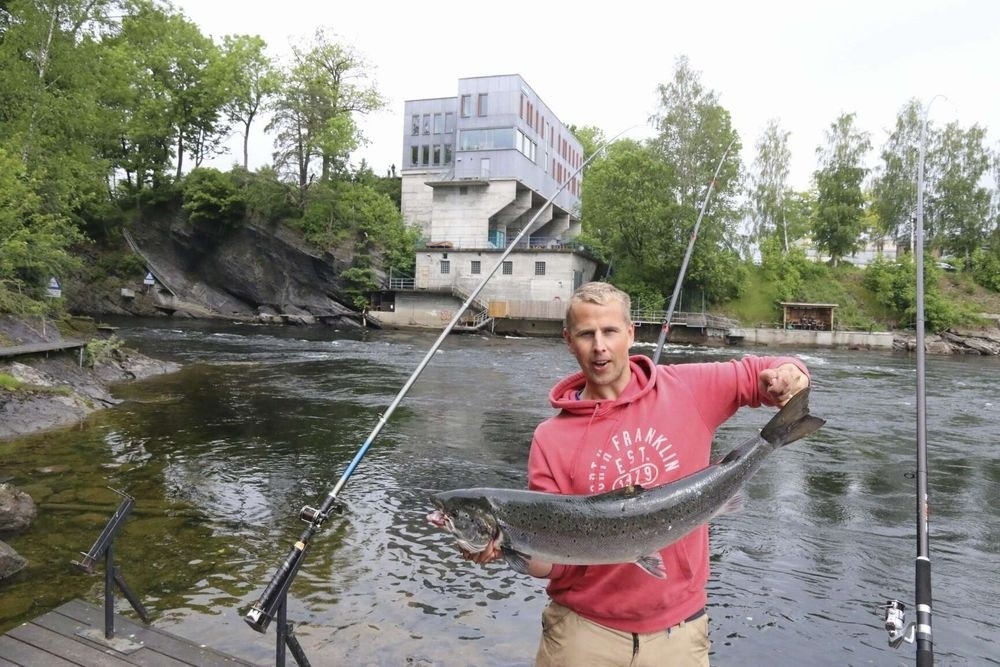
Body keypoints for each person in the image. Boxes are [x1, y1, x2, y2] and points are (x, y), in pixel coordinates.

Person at [465, 282, 810, 667]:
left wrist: (792, 375)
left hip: (678, 633)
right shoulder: (550, 438)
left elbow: (760, 374)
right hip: (581, 635)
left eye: (610, 331)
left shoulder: (687, 388)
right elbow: (553, 563)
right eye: (586, 334)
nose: (600, 346)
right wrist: (505, 549)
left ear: (631, 333)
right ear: (568, 341)